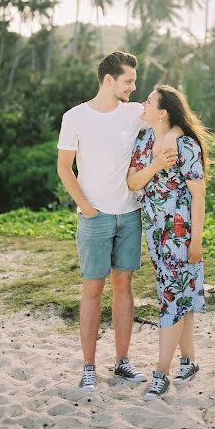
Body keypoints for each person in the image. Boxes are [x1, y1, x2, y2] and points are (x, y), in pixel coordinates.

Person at [57, 52, 180, 391]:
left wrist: (173, 142)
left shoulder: (132, 113)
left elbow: (168, 119)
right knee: (93, 290)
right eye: (128, 81)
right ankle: (88, 367)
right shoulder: (75, 117)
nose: (134, 87)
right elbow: (64, 168)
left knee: (123, 286)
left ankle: (122, 362)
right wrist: (86, 207)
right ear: (109, 80)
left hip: (129, 214)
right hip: (94, 217)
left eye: (135, 82)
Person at [127, 85, 210, 401]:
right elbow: (133, 182)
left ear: (162, 111)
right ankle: (189, 361)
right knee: (179, 294)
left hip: (179, 235)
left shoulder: (186, 146)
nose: (143, 104)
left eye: (148, 101)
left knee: (170, 298)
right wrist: (157, 165)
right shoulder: (145, 139)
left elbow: (198, 195)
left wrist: (196, 241)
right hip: (154, 233)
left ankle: (161, 374)